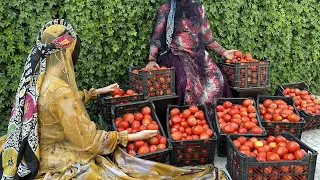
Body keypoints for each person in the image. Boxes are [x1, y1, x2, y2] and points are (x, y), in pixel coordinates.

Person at [0, 19, 229, 179]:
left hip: (36, 146)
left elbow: (53, 109)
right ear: (67, 52)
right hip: (57, 155)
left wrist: (94, 92)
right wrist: (130, 136)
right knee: (123, 168)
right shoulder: (61, 90)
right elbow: (87, 141)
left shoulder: (37, 80)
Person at [147, 0, 235, 114]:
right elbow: (157, 35)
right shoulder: (167, 7)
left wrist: (223, 52)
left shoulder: (199, 7)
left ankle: (217, 117)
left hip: (198, 54)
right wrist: (152, 59)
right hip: (176, 52)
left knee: (218, 78)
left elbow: (207, 36)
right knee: (185, 81)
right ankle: (184, 117)